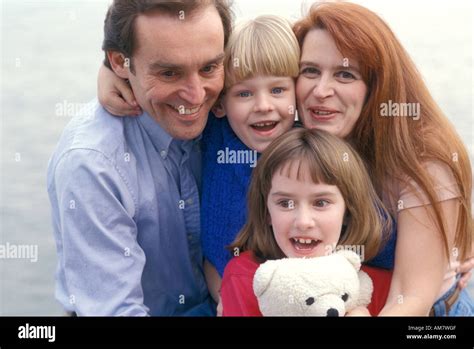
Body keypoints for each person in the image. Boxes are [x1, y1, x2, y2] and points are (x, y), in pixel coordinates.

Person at [46, 0, 233, 316]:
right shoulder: (92, 164)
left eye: (209, 68)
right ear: (120, 62)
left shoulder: (241, 108)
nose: (197, 95)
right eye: (170, 73)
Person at [293, 2, 473, 315]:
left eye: (345, 74)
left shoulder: (422, 160)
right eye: (310, 70)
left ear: (377, 85)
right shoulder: (298, 139)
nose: (321, 90)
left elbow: (411, 298)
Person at [221, 128, 393, 316]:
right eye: (285, 203)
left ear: (348, 212)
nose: (303, 222)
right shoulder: (246, 279)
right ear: (266, 212)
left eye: (320, 203)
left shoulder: (376, 287)